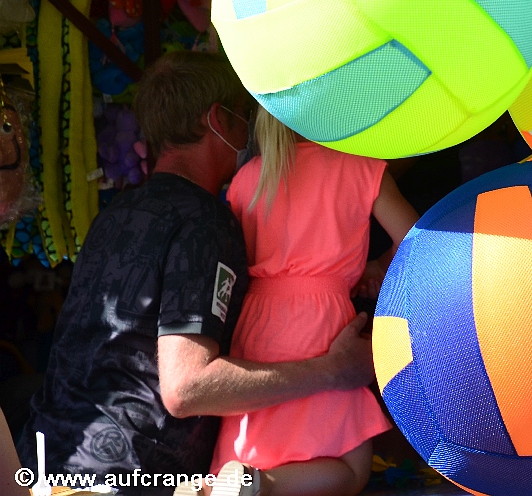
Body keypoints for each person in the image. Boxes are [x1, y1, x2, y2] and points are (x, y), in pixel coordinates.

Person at [17, 52, 375, 493]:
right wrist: (332, 370)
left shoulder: (115, 215)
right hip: (129, 476)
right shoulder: (204, 223)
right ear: (219, 120)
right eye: (244, 117)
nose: (251, 134)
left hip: (43, 462)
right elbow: (188, 387)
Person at [209, 107, 419, 496]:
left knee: (263, 441)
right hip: (323, 325)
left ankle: (242, 480)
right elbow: (415, 240)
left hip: (257, 324)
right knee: (351, 470)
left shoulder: (248, 177)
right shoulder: (360, 167)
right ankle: (261, 485)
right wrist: (376, 266)